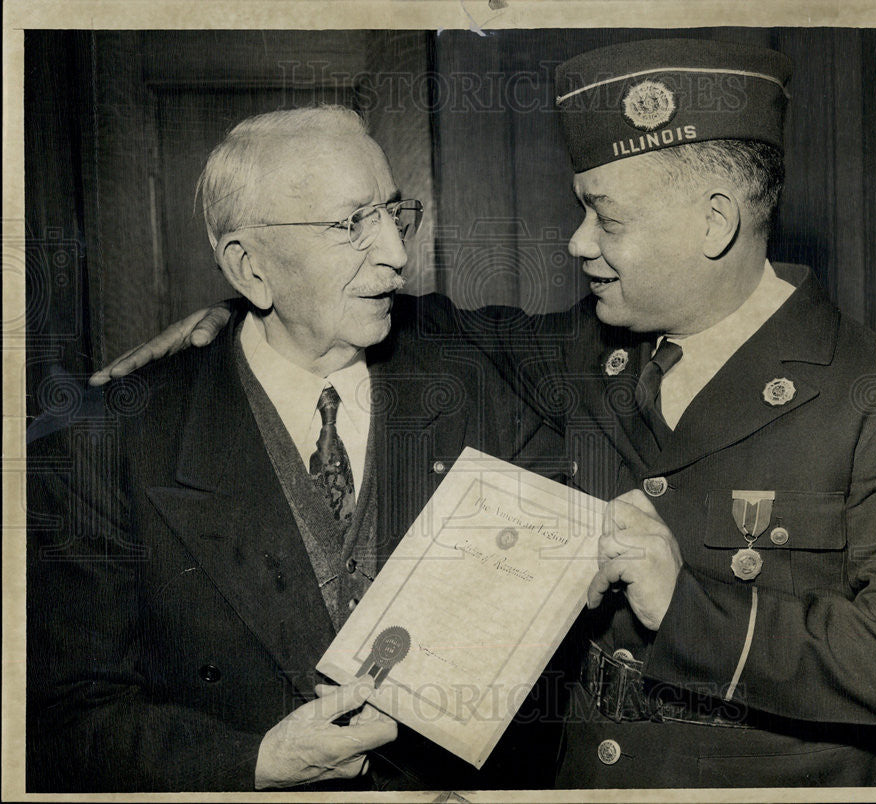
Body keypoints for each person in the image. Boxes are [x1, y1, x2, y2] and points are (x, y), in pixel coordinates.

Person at [90, 39, 876, 788]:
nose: (577, 242)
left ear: (713, 224)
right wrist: (229, 312)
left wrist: (689, 611)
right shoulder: (582, 355)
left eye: (604, 217)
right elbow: (383, 317)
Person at [27, 106, 561, 792]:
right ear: (249, 269)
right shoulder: (106, 445)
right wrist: (256, 764)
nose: (397, 254)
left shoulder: (475, 376)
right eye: (350, 224)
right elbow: (67, 724)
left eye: (394, 214)